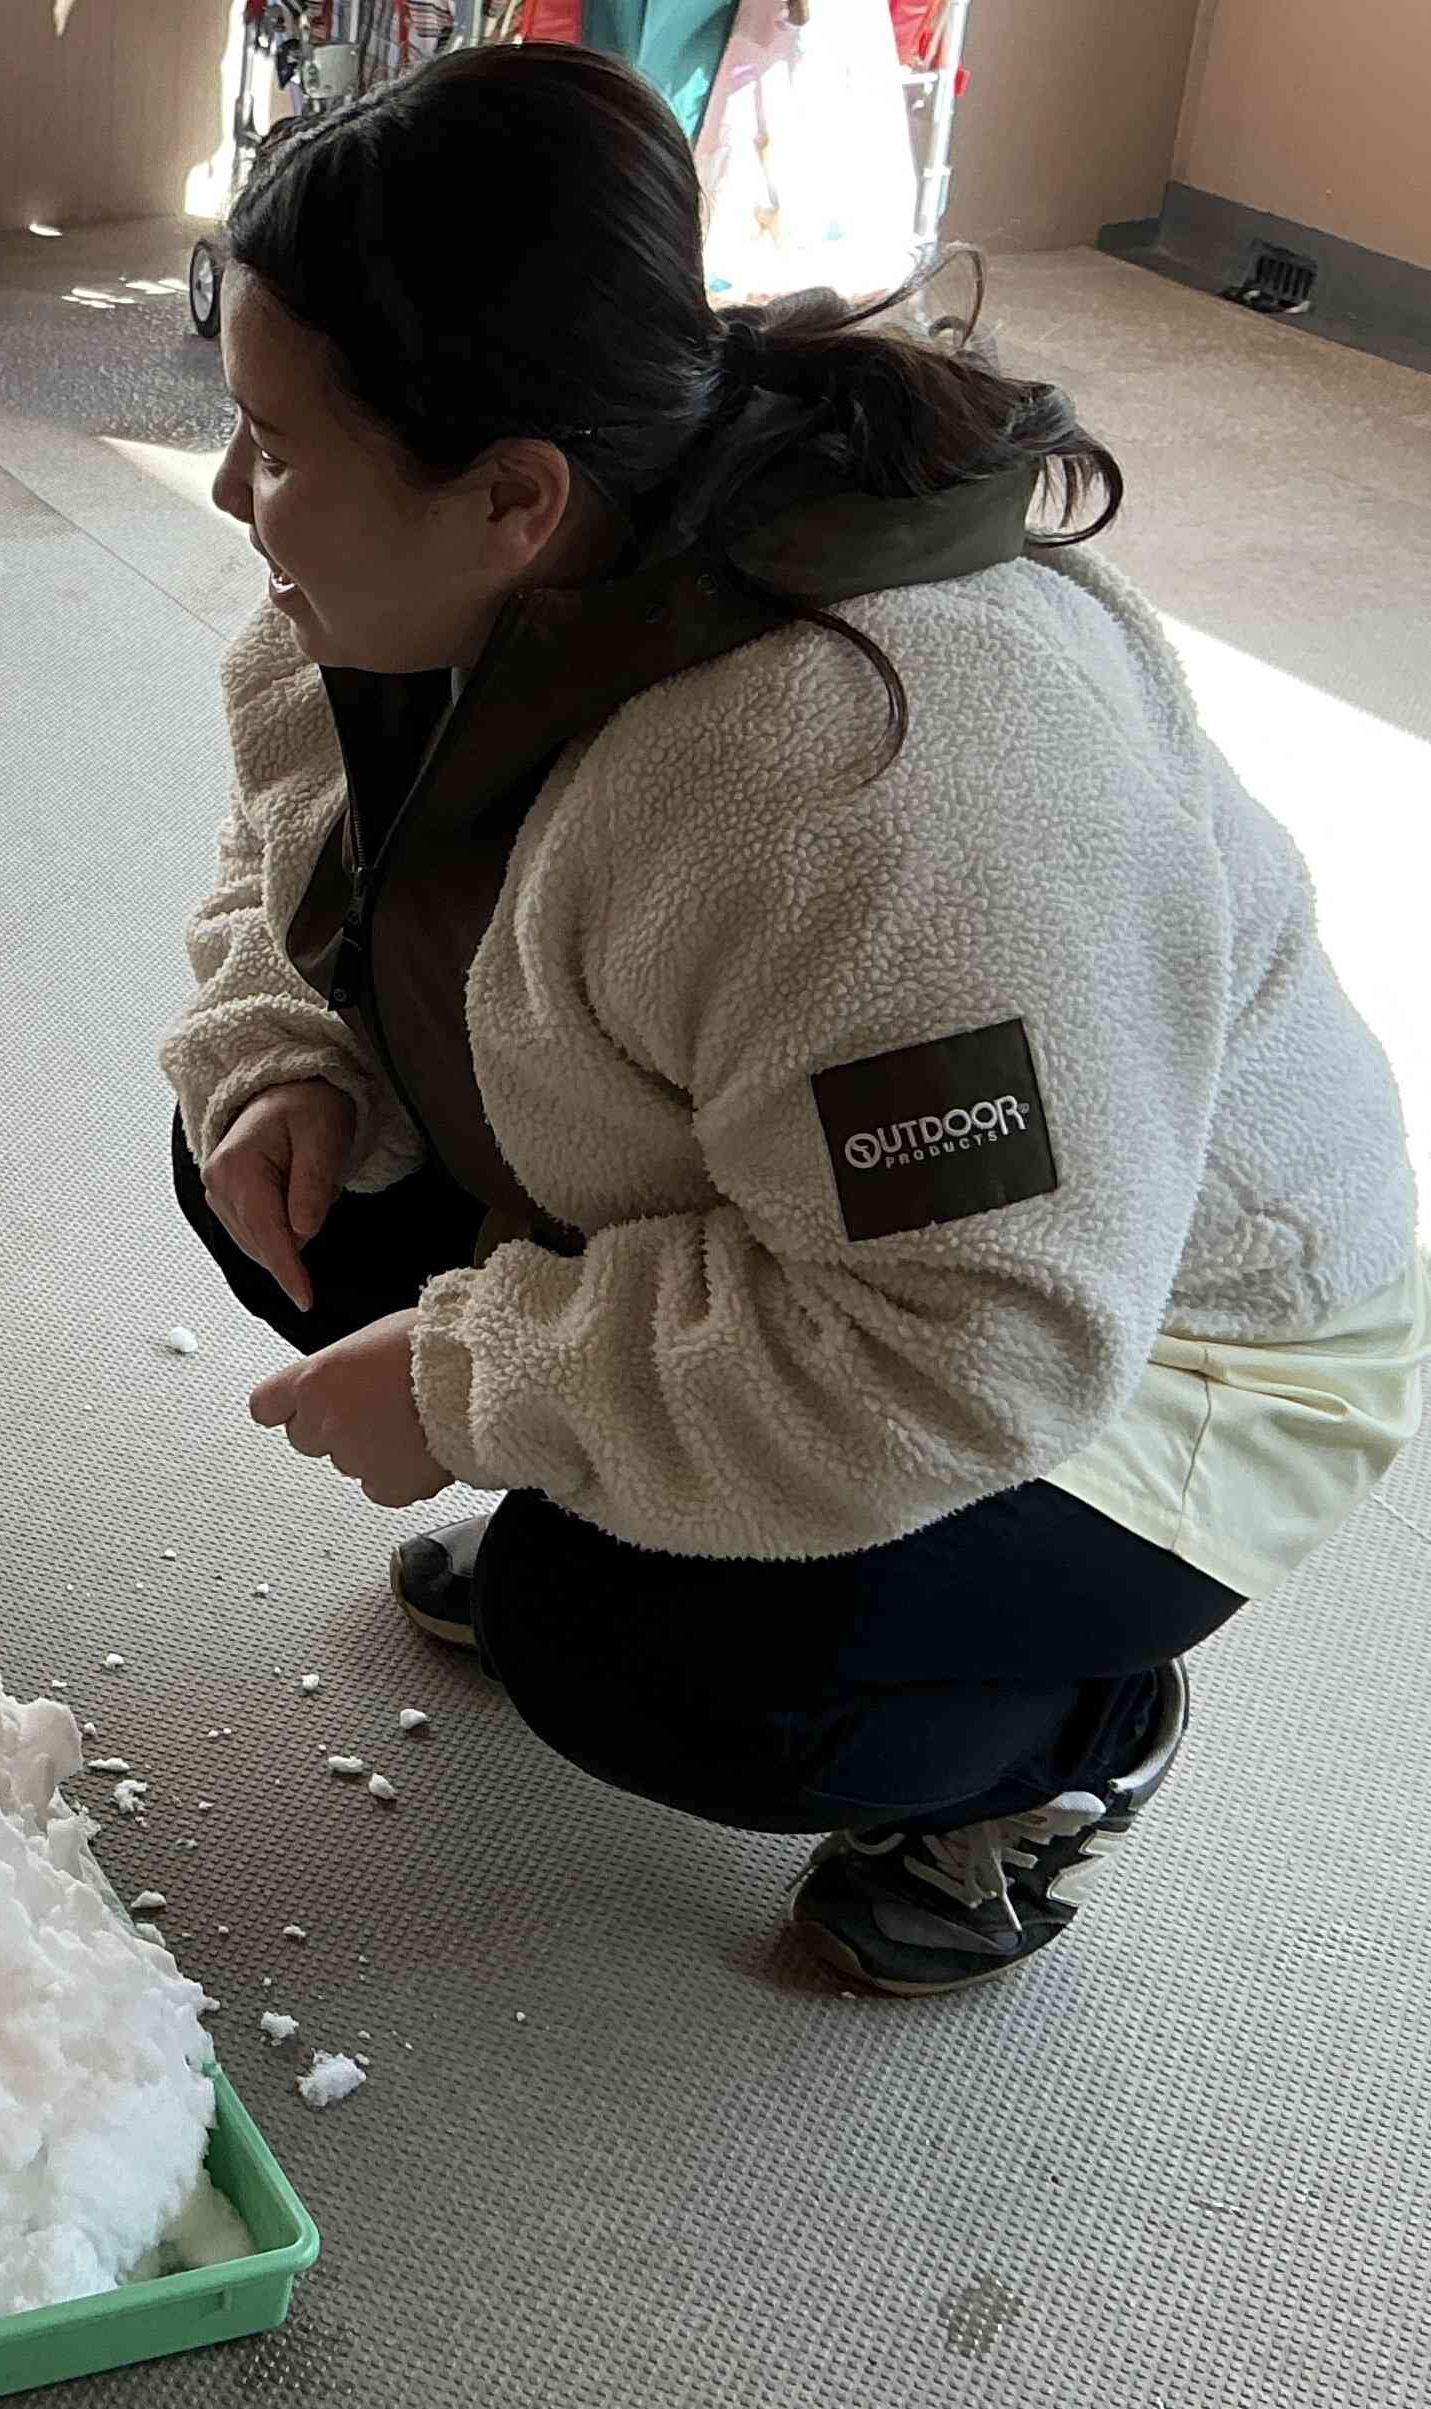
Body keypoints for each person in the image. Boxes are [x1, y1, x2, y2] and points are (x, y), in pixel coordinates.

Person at [163, 48, 1424, 1996]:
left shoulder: (873, 785)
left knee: (641, 1656)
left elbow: (970, 1336)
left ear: (511, 497)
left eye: (272, 446)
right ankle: (630, 1489)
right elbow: (294, 851)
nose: (235, 498)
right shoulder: (410, 563)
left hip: (1151, 1342)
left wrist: (476, 1383)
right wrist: (285, 1052)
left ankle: (1064, 1743)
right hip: (795, 1194)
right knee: (278, 1191)